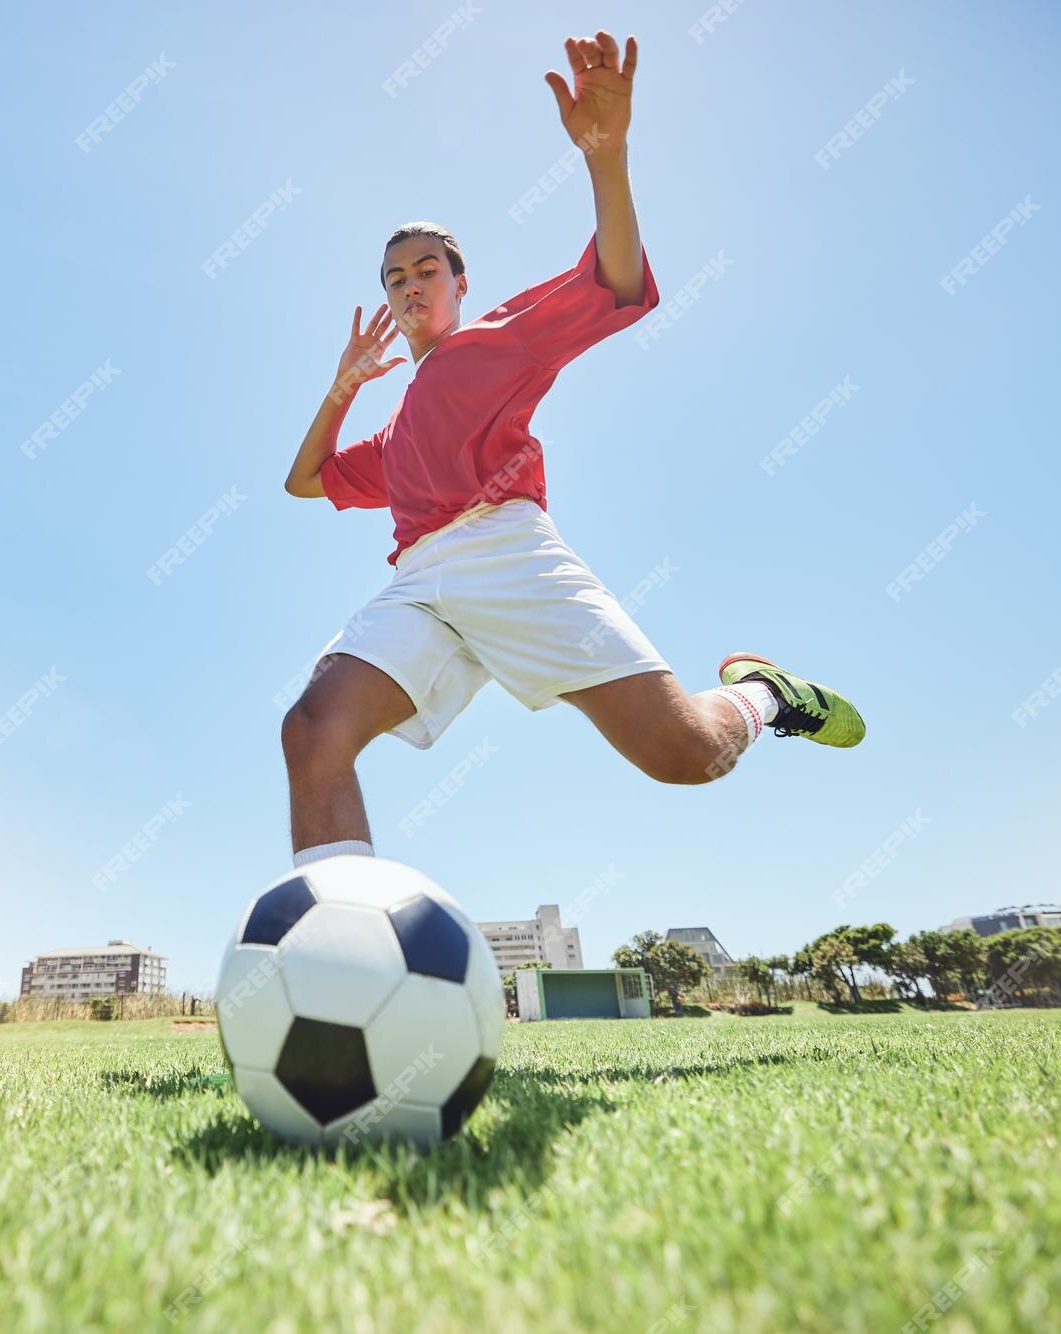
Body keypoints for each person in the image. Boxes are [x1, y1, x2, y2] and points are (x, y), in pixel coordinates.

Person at [280, 30, 863, 868]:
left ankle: (768, 695)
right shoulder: (393, 430)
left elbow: (618, 283)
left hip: (509, 555)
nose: (411, 284)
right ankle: (336, 962)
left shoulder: (494, 342)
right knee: (311, 731)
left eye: (427, 268)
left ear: (459, 282)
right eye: (394, 276)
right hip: (417, 584)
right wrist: (342, 387)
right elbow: (304, 482)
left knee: (687, 754)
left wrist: (606, 158)